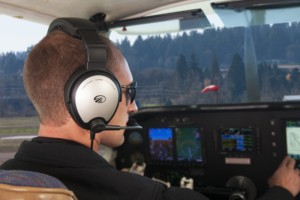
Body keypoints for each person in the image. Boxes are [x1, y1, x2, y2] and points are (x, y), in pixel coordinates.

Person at [0, 29, 300, 200]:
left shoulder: (8, 180)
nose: (134, 108)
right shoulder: (146, 197)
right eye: (128, 92)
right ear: (94, 98)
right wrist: (282, 192)